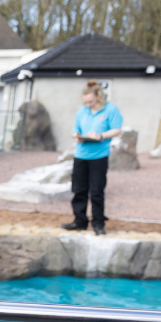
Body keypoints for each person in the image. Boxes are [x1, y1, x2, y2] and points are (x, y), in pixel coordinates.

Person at [62, 81, 124, 236]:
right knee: (78, 190)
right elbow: (76, 129)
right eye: (86, 102)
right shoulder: (82, 112)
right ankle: (80, 221)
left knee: (96, 191)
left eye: (91, 101)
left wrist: (101, 136)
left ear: (98, 97)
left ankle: (98, 223)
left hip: (99, 156)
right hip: (81, 155)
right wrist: (77, 136)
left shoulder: (110, 110)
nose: (88, 104)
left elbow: (116, 130)